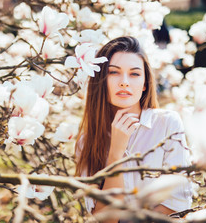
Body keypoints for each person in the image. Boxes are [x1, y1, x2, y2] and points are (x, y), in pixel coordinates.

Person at [75, 36, 192, 221]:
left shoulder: (167, 124)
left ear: (145, 83)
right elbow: (104, 219)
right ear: (101, 80)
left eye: (134, 74)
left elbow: (177, 204)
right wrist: (115, 155)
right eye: (114, 72)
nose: (124, 82)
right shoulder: (87, 141)